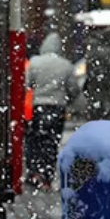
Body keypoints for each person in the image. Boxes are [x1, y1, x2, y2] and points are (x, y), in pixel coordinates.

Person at [26, 32, 78, 190]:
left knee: (35, 140)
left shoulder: (34, 63)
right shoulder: (66, 65)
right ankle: (47, 176)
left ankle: (34, 172)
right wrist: (67, 100)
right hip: (57, 108)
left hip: (38, 106)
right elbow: (73, 89)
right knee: (52, 142)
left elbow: (27, 84)